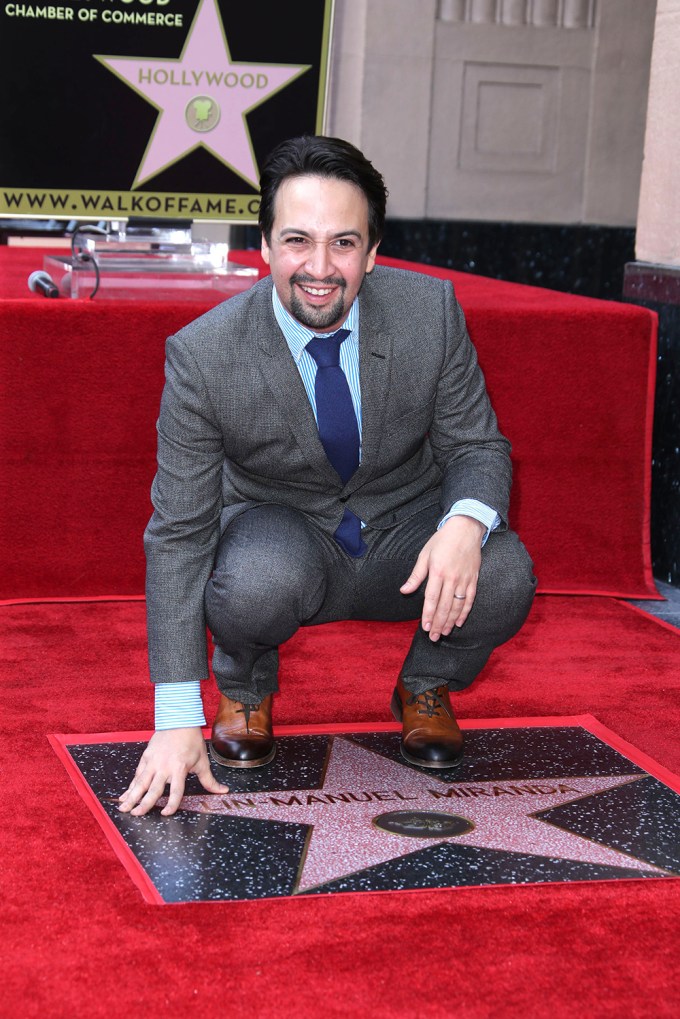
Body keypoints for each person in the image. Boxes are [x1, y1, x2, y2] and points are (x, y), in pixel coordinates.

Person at [119, 135, 536, 818]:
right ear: (263, 245)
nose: (319, 267)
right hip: (282, 539)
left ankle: (425, 684)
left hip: (405, 534)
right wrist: (173, 714)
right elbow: (179, 532)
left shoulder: (429, 313)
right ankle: (246, 687)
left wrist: (464, 523)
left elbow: (479, 445)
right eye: (297, 241)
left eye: (344, 243)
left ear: (373, 252)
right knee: (252, 583)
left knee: (504, 570)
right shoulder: (204, 354)